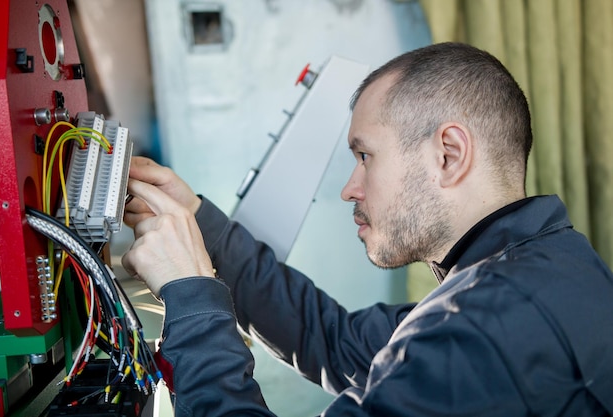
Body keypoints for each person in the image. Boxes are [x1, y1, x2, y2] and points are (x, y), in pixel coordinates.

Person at [121, 42, 613, 416]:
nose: (350, 188)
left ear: (449, 155)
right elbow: (333, 341)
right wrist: (200, 223)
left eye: (365, 156)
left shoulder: (483, 333)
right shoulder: (537, 267)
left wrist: (192, 299)